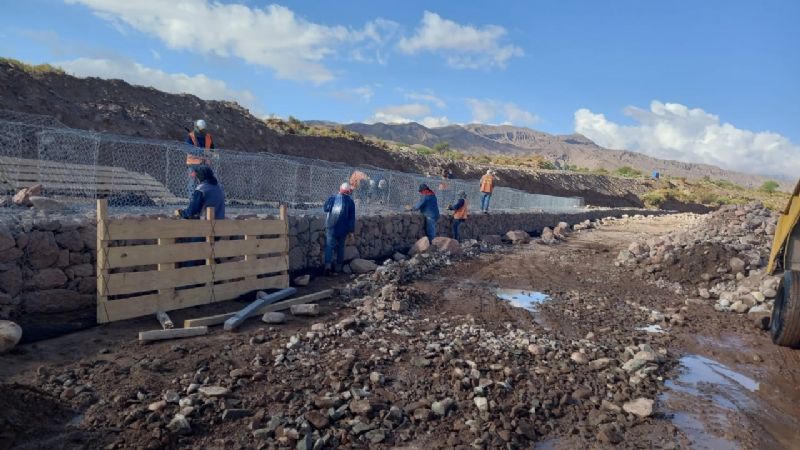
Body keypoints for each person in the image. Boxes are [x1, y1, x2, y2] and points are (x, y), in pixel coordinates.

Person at [323, 182, 356, 275]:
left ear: (340, 189)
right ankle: (338, 267)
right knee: (340, 247)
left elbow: (325, 208)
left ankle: (328, 266)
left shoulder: (333, 198)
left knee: (329, 246)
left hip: (331, 227)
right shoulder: (350, 202)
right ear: (349, 191)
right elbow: (351, 218)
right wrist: (351, 231)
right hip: (343, 229)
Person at [185, 119, 216, 197]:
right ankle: (192, 200)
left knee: (204, 183)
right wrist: (200, 152)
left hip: (204, 165)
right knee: (192, 183)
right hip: (193, 164)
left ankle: (203, 199)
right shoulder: (191, 136)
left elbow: (212, 149)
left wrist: (212, 154)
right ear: (197, 128)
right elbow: (189, 149)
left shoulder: (208, 137)